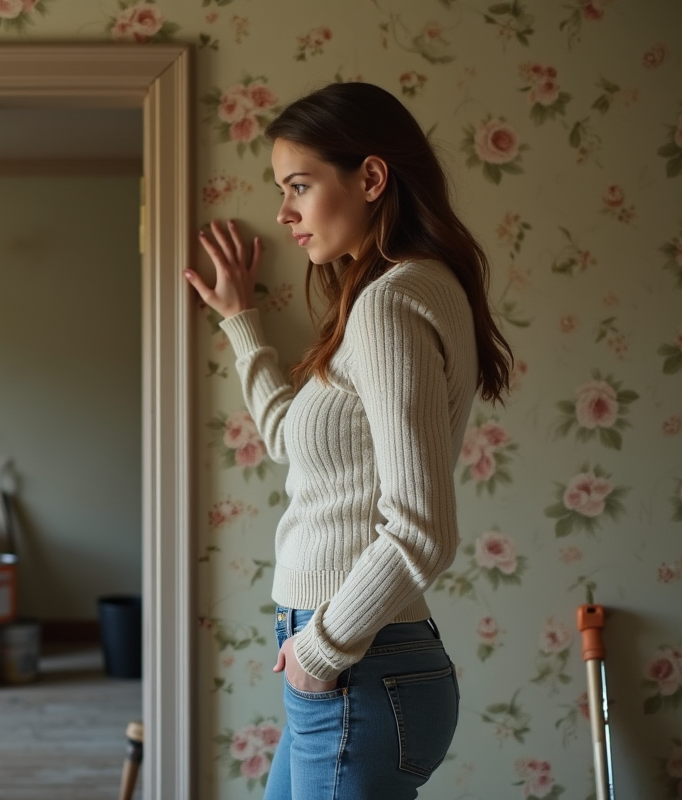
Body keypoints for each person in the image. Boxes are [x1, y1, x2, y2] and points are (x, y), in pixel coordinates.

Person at [182, 82, 513, 799]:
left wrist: (320, 650)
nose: (283, 212)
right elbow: (286, 439)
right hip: (358, 662)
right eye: (282, 189)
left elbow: (422, 530)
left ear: (370, 177)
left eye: (300, 185)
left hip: (358, 662)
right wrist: (243, 321)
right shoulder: (392, 297)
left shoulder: (392, 304)